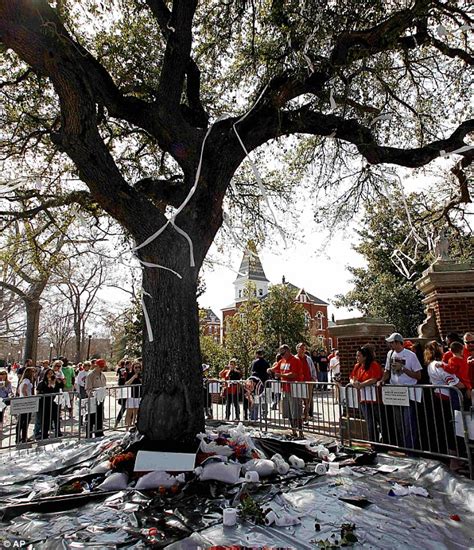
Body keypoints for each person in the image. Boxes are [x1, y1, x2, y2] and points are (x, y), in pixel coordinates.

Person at [380, 332, 422, 449]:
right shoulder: (390, 354)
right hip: (395, 392)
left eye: (392, 343)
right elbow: (387, 371)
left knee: (408, 422)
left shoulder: (410, 355)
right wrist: (382, 380)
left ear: (398, 342)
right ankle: (403, 447)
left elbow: (418, 375)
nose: (390, 345)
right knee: (399, 423)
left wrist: (403, 368)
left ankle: (411, 448)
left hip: (408, 392)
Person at [425, 340, 465, 460]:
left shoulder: (431, 364)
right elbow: (454, 382)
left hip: (440, 398)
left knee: (449, 428)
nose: (443, 348)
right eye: (440, 346)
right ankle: (454, 460)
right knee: (453, 428)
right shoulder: (438, 364)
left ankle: (454, 458)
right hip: (446, 399)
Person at [268, 344, 306, 439]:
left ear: (288, 351)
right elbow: (274, 368)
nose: (281, 355)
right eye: (280, 354)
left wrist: (281, 376)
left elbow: (293, 374)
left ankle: (300, 432)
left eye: (283, 353)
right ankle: (294, 431)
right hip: (285, 389)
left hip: (294, 389)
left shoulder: (295, 360)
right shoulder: (282, 360)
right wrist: (269, 370)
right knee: (288, 411)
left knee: (296, 411)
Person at [350, 346, 383, 444]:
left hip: (375, 399)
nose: (357, 358)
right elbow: (351, 377)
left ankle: (384, 441)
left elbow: (374, 378)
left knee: (380, 421)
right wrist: (353, 383)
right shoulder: (357, 366)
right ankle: (373, 443)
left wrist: (361, 384)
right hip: (363, 399)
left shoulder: (374, 365)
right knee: (369, 421)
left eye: (359, 356)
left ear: (365, 357)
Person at [36, 368, 62, 440]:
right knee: (46, 419)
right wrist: (49, 385)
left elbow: (61, 386)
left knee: (56, 417)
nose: (50, 375)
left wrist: (59, 381)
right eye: (49, 373)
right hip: (45, 403)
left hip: (55, 402)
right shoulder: (42, 382)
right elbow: (38, 392)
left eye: (52, 373)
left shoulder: (55, 381)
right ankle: (44, 433)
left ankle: (58, 432)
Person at [85, 358, 107, 437]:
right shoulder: (91, 375)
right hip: (93, 399)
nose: (101, 368)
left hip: (101, 399)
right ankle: (89, 434)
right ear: (96, 365)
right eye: (100, 366)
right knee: (91, 417)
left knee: (99, 416)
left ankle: (99, 432)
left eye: (103, 367)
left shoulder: (103, 375)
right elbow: (88, 388)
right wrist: (93, 394)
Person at [446, 341, 471, 408]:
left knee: (458, 408)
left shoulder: (452, 360)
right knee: (467, 406)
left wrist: (442, 365)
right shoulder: (464, 359)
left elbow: (451, 370)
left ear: (451, 350)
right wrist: (469, 387)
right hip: (466, 384)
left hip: (458, 385)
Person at [296, 343, 316, 422]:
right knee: (298, 401)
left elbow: (313, 369)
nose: (303, 350)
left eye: (304, 348)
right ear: (297, 349)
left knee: (307, 401)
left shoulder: (308, 358)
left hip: (308, 382)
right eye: (301, 348)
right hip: (298, 383)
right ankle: (299, 418)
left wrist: (314, 378)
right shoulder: (294, 359)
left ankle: (306, 417)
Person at [15, 367, 36, 443]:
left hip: (23, 401)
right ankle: (21, 437)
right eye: (33, 372)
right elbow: (23, 389)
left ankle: (22, 437)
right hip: (25, 402)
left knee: (23, 420)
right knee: (24, 420)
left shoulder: (23, 381)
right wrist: (27, 398)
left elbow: (19, 390)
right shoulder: (26, 380)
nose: (34, 373)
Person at [124, 361, 142, 427]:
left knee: (137, 413)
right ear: (133, 368)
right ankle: (127, 428)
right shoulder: (130, 374)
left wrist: (139, 378)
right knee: (129, 412)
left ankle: (134, 426)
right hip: (131, 396)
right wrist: (134, 377)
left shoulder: (142, 374)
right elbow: (126, 384)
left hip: (139, 396)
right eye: (136, 367)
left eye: (139, 367)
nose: (137, 369)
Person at [0, 370, 13, 445]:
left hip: (3, 400)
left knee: (1, 414)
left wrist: (4, 387)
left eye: (4, 375)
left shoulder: (8, 383)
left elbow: (9, 391)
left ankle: (1, 428)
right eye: (1, 374)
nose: (3, 376)